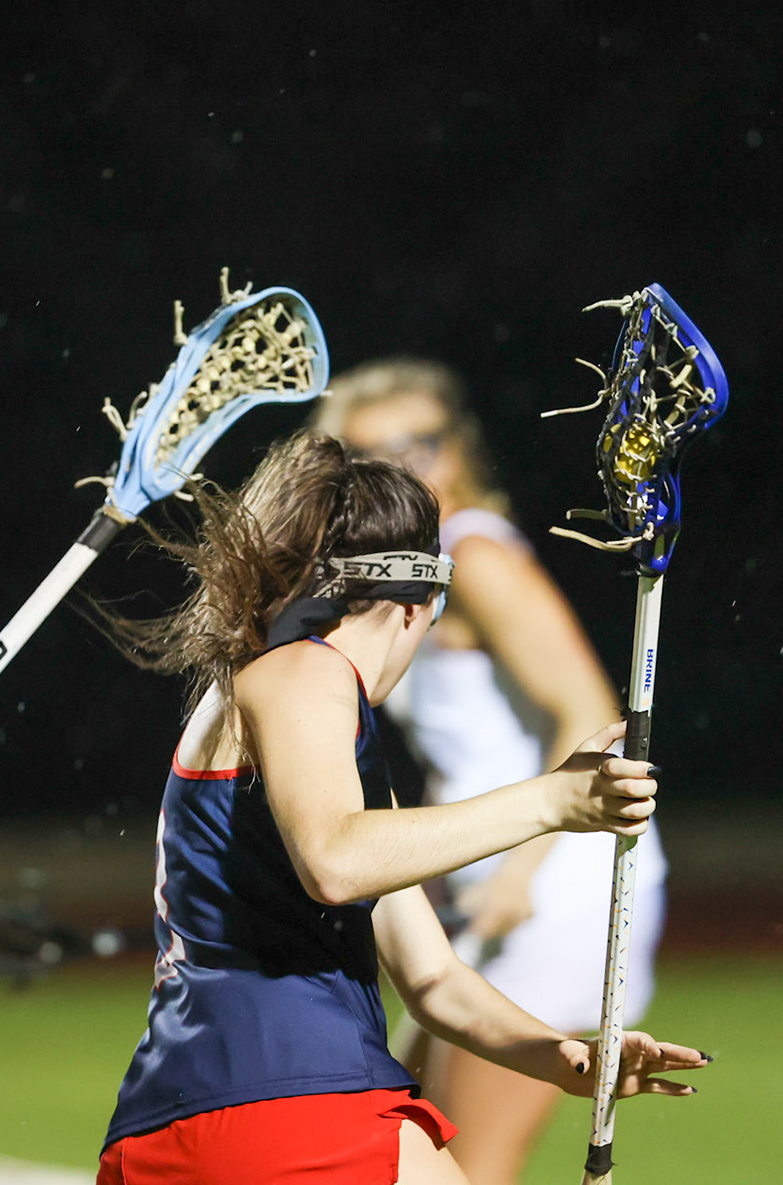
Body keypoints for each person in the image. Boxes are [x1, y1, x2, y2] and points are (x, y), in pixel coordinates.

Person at [94, 430, 707, 1184]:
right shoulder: (307, 673)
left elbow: (432, 980)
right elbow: (337, 863)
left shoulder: (266, 703)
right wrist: (553, 799)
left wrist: (565, 1058)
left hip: (178, 1125)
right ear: (419, 605)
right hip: (295, 1112)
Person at [315, 359, 667, 1184]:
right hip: (489, 870)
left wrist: (519, 873)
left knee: (468, 1164)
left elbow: (589, 714)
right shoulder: (407, 568)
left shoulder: (472, 555)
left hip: (551, 885)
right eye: (374, 454)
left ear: (457, 449)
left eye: (420, 445)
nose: (404, 467)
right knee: (414, 1151)